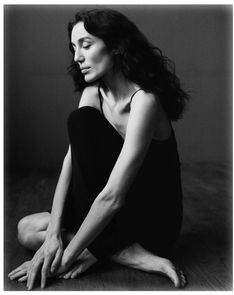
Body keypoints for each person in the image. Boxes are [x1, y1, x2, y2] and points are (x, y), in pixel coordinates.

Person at [8, 8, 189, 290]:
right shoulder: (94, 92)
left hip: (152, 217)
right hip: (114, 214)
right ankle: (125, 253)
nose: (77, 56)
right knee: (27, 230)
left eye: (86, 45)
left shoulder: (146, 102)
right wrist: (54, 234)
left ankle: (123, 251)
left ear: (116, 46)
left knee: (50, 238)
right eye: (73, 47)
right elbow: (72, 160)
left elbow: (114, 196)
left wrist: (66, 257)